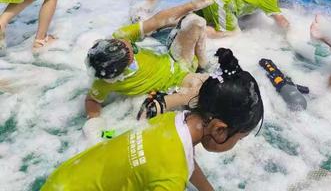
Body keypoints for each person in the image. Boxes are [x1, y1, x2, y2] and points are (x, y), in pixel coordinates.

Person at [41, 48, 264, 191]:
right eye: (240, 138)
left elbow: (187, 161)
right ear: (219, 130)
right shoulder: (170, 179)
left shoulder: (171, 122)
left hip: (63, 180)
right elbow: (174, 168)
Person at [83, 0, 213, 127]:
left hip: (175, 58)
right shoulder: (104, 83)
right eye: (133, 50)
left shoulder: (120, 38)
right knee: (209, 91)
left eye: (130, 45)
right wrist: (94, 123)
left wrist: (191, 5)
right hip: (175, 82)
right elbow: (92, 101)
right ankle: (200, 73)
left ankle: (202, 63)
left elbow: (156, 20)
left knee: (195, 22)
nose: (130, 44)